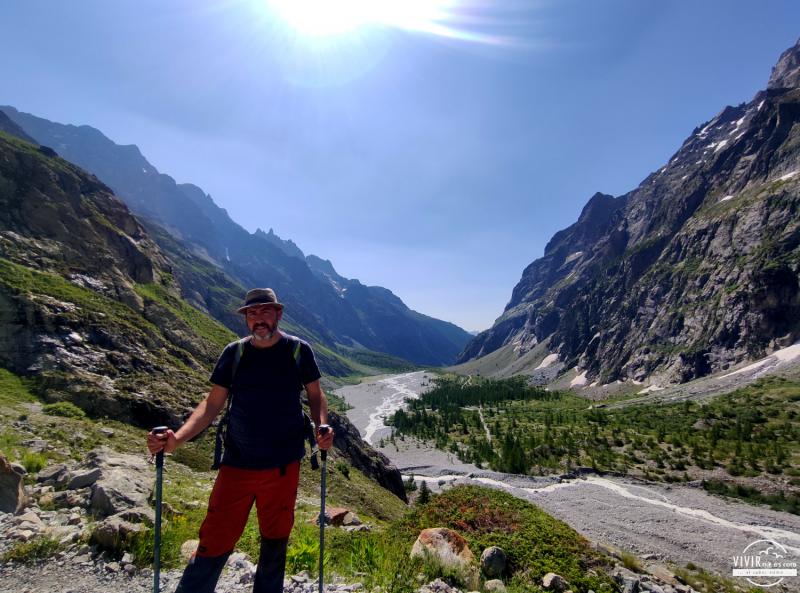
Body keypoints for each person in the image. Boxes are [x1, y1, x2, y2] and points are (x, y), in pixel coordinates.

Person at [147, 287, 334, 593]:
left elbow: (315, 394)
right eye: (252, 313)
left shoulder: (299, 350)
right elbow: (211, 405)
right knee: (215, 537)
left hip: (283, 465)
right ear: (246, 318)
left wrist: (321, 425)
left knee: (275, 539)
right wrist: (176, 439)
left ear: (278, 314)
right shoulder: (234, 353)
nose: (258, 319)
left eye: (265, 312)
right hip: (237, 463)